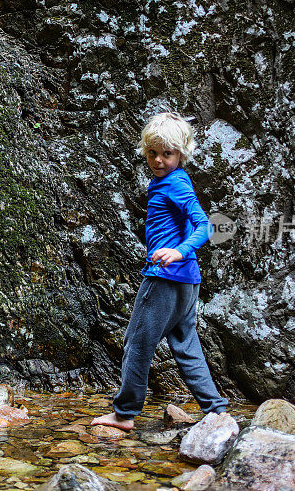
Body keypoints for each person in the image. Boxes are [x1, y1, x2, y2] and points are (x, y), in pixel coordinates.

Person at [91, 111, 228, 431]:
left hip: (165, 278)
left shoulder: (175, 183)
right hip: (188, 280)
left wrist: (179, 250)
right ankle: (216, 411)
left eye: (167, 154)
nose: (158, 160)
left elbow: (205, 226)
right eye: (152, 153)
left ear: (181, 153)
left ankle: (124, 413)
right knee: (187, 345)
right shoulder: (168, 181)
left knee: (137, 343)